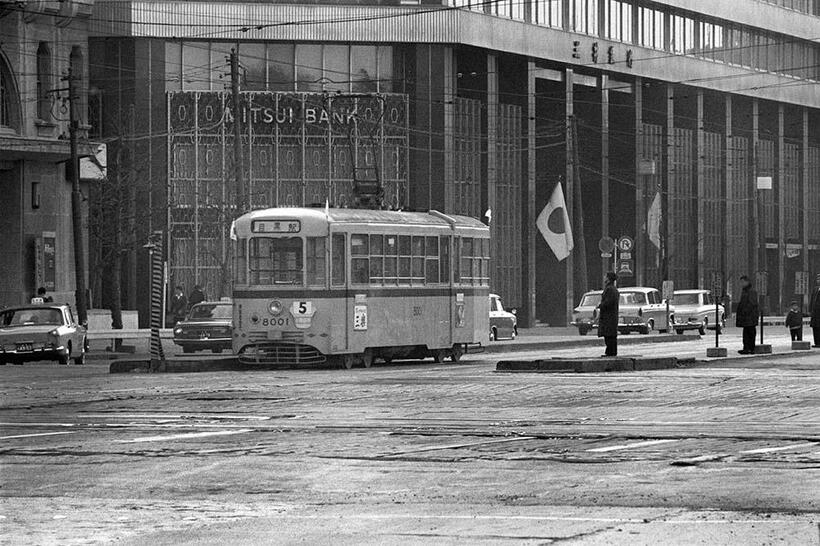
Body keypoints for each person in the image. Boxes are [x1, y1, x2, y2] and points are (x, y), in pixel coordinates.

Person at [597, 272, 620, 357]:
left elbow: (608, 302)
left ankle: (610, 353)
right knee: (609, 336)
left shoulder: (610, 289)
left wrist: (600, 305)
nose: (603, 277)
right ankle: (610, 352)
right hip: (610, 317)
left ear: (608, 278)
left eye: (605, 276)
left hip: (609, 317)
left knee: (609, 336)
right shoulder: (611, 288)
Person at [736, 275, 759, 354]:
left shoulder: (752, 291)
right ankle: (746, 348)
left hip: (750, 316)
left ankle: (751, 348)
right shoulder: (745, 291)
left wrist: (745, 311)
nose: (741, 284)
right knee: (746, 333)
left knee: (750, 332)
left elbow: (752, 304)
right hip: (746, 317)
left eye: (742, 282)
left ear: (747, 281)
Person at [810, 273, 820, 348]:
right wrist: (810, 310)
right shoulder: (815, 289)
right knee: (815, 328)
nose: (818, 281)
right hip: (815, 313)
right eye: (817, 279)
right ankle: (816, 342)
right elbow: (812, 300)